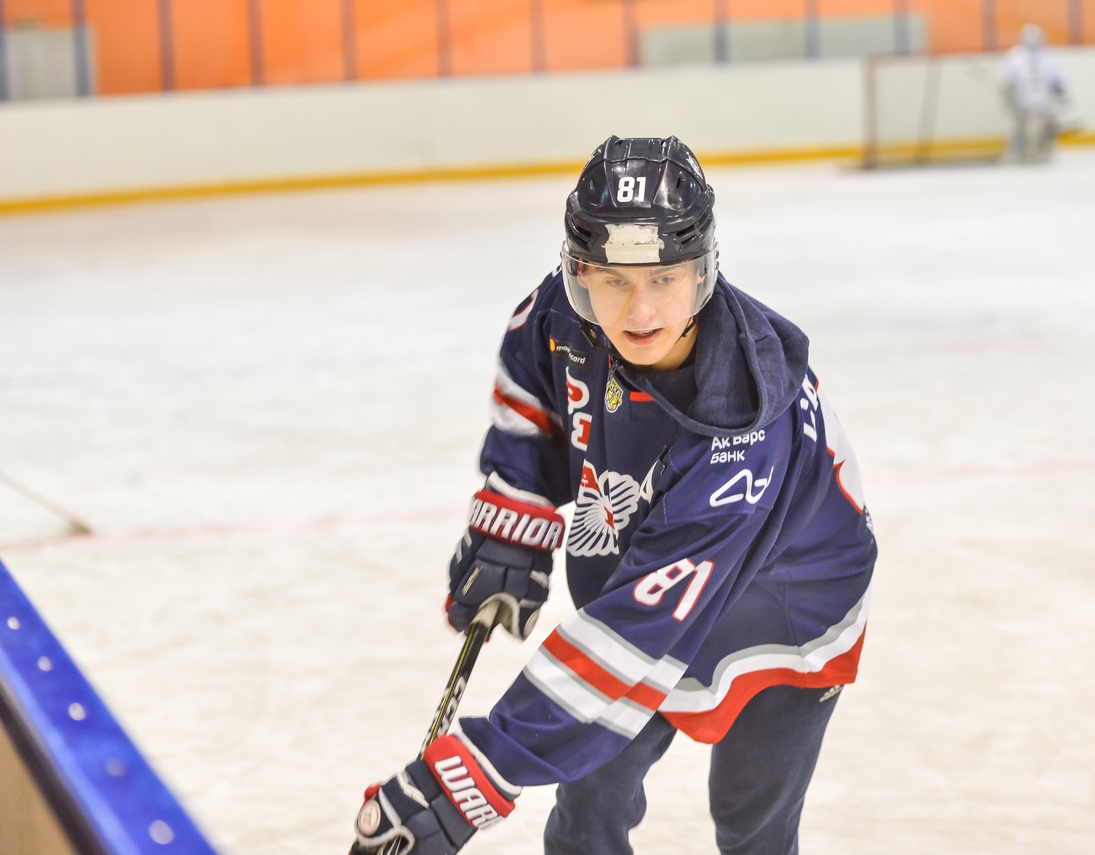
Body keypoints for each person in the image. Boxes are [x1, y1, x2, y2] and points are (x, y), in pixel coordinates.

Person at [350, 136, 878, 855]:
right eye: (613, 278)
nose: (639, 309)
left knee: (750, 822)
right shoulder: (562, 315)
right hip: (643, 575)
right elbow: (531, 387)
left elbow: (635, 633)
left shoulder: (743, 428)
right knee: (587, 810)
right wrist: (516, 517)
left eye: (664, 278)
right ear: (579, 271)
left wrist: (476, 772)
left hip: (786, 606)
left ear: (703, 270)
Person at [1000, 24, 1069, 164]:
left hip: (1044, 100)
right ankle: (1019, 154)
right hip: (1022, 100)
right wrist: (1009, 98)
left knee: (1047, 126)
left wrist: (1061, 93)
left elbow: (1057, 80)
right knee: (1020, 128)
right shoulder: (1015, 56)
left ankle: (1044, 153)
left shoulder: (1048, 56)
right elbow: (1006, 81)